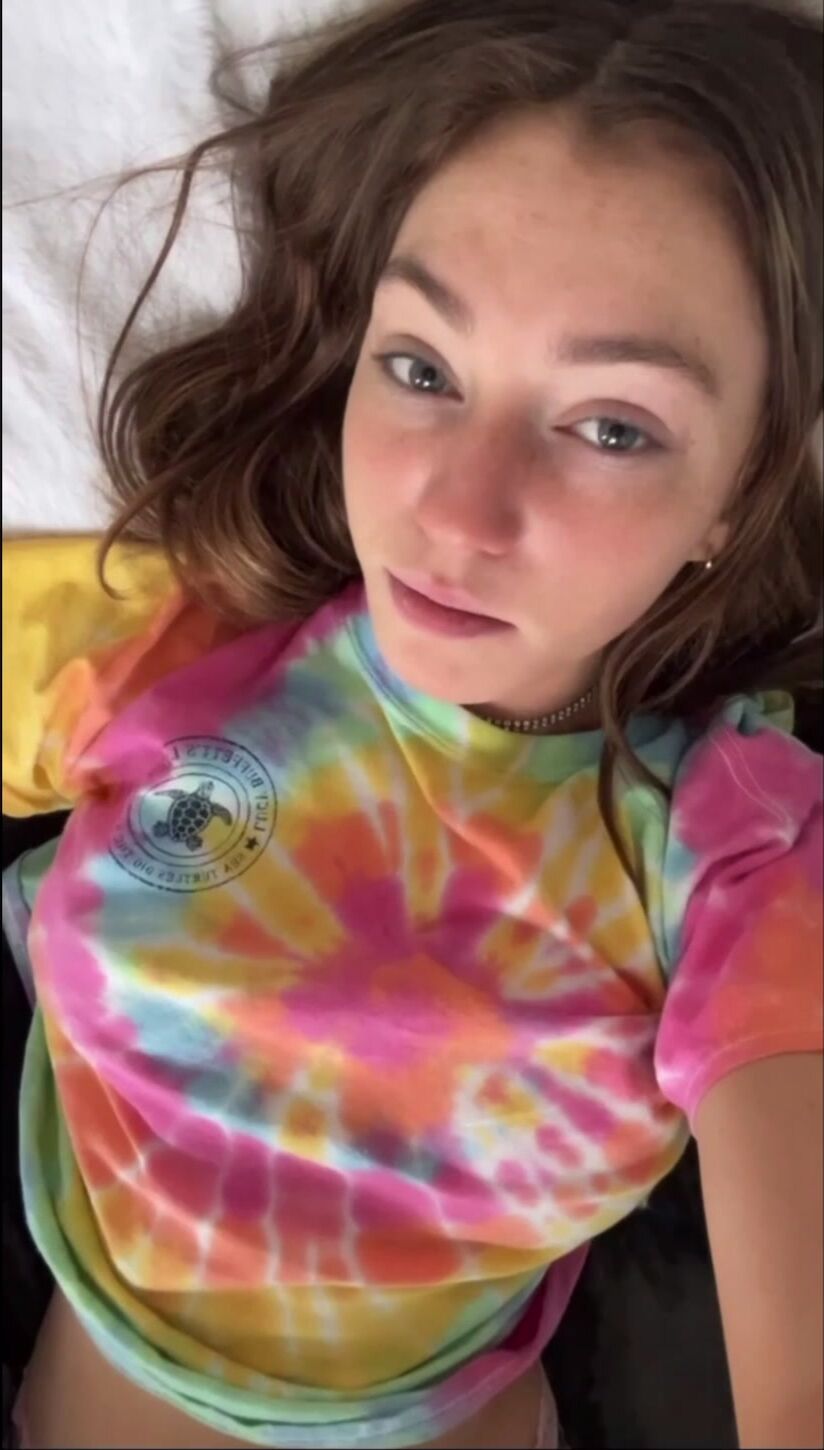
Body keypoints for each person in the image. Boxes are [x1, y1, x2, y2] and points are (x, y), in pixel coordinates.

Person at [2, 0, 822, 1446]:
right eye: (424, 368)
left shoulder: (739, 847)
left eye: (613, 426)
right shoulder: (167, 640)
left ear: (740, 495)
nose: (457, 512)